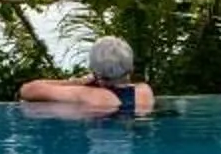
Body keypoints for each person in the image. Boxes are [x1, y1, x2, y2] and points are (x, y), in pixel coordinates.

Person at [18, 36, 156, 115]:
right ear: (131, 67)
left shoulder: (88, 94)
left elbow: (27, 90)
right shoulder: (145, 91)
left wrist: (77, 82)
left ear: (95, 70)